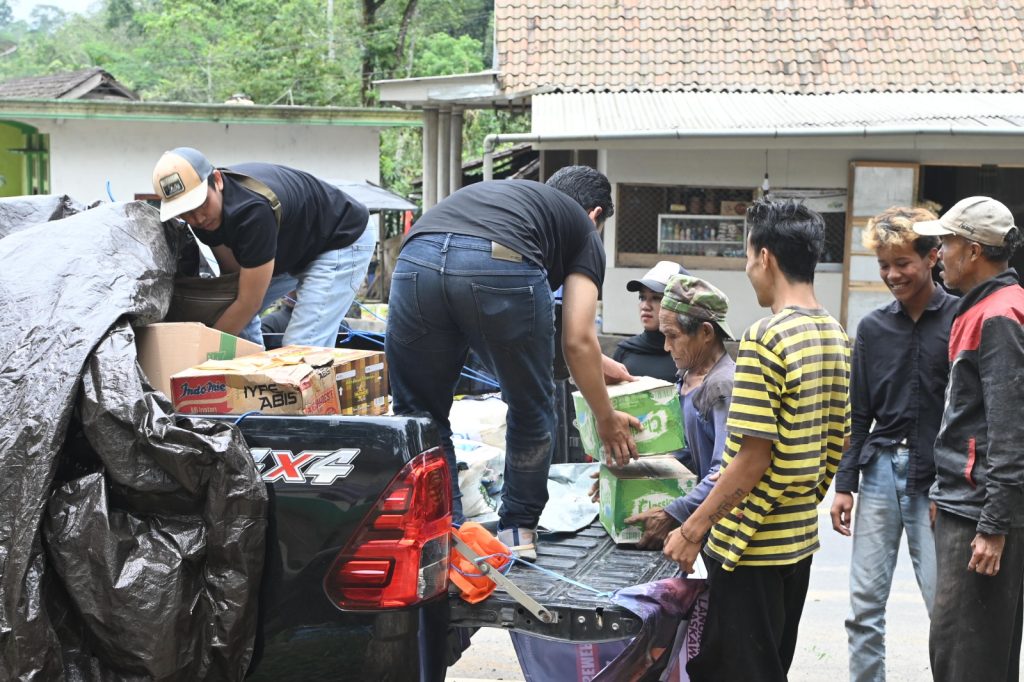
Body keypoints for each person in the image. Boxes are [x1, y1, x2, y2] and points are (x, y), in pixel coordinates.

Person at [385, 167, 640, 560]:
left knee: (419, 413)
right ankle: (517, 532)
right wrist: (606, 418)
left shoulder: (515, 201)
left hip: (416, 258)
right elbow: (578, 338)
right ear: (595, 215)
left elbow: (561, 338)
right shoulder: (584, 229)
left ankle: (444, 537)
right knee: (530, 407)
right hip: (499, 261)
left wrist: (597, 361)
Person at [663, 198, 851, 681]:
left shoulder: (766, 337)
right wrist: (798, 501)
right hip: (798, 541)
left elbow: (750, 459)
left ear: (765, 257)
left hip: (751, 547)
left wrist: (692, 530)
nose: (748, 269)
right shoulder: (835, 334)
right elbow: (838, 440)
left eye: (748, 257)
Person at [828, 207, 956, 682]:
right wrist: (845, 484)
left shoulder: (960, 320)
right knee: (863, 608)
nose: (892, 274)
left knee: (944, 609)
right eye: (884, 264)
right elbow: (859, 413)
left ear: (932, 257)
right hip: (879, 471)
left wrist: (955, 485)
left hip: (937, 481)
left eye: (902, 262)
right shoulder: (872, 329)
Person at [910, 196, 1024, 681]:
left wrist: (993, 524)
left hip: (981, 511)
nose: (939, 254)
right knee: (975, 651)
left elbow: (1010, 429)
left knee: (965, 656)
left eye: (947, 242)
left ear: (975, 251)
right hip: (967, 503)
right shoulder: (986, 307)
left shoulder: (999, 314)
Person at [152, 147, 374, 348]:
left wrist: (202, 352)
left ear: (217, 180)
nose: (197, 218)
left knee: (300, 347)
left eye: (201, 204)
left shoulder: (252, 211)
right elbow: (233, 284)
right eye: (185, 212)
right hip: (293, 247)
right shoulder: (204, 220)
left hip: (340, 239)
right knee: (232, 309)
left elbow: (249, 302)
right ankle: (251, 375)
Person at [623, 273, 736, 549]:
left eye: (673, 336)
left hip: (724, 533)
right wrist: (627, 473)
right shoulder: (686, 377)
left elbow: (723, 472)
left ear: (706, 333)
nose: (666, 346)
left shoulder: (722, 386)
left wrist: (673, 513)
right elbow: (684, 452)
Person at [612, 260, 691, 384]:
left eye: (656, 298)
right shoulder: (625, 350)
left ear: (680, 304)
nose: (645, 306)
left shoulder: (692, 354)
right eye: (642, 297)